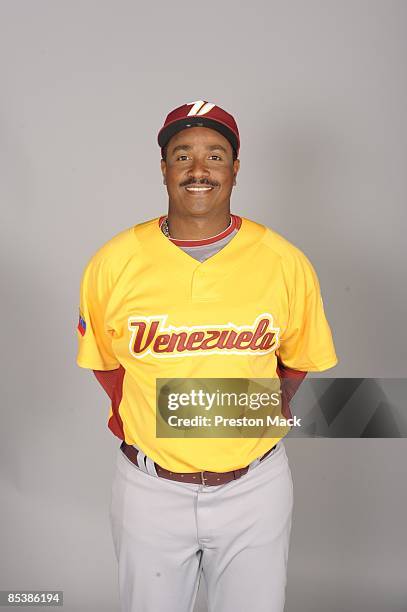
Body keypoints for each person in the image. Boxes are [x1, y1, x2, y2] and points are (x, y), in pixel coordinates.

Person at [76, 100, 338, 612]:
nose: (199, 170)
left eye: (215, 155)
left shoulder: (285, 261)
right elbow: (108, 367)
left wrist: (238, 417)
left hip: (255, 487)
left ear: (235, 168)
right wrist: (165, 420)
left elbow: (298, 360)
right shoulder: (113, 262)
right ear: (164, 168)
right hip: (150, 490)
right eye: (182, 155)